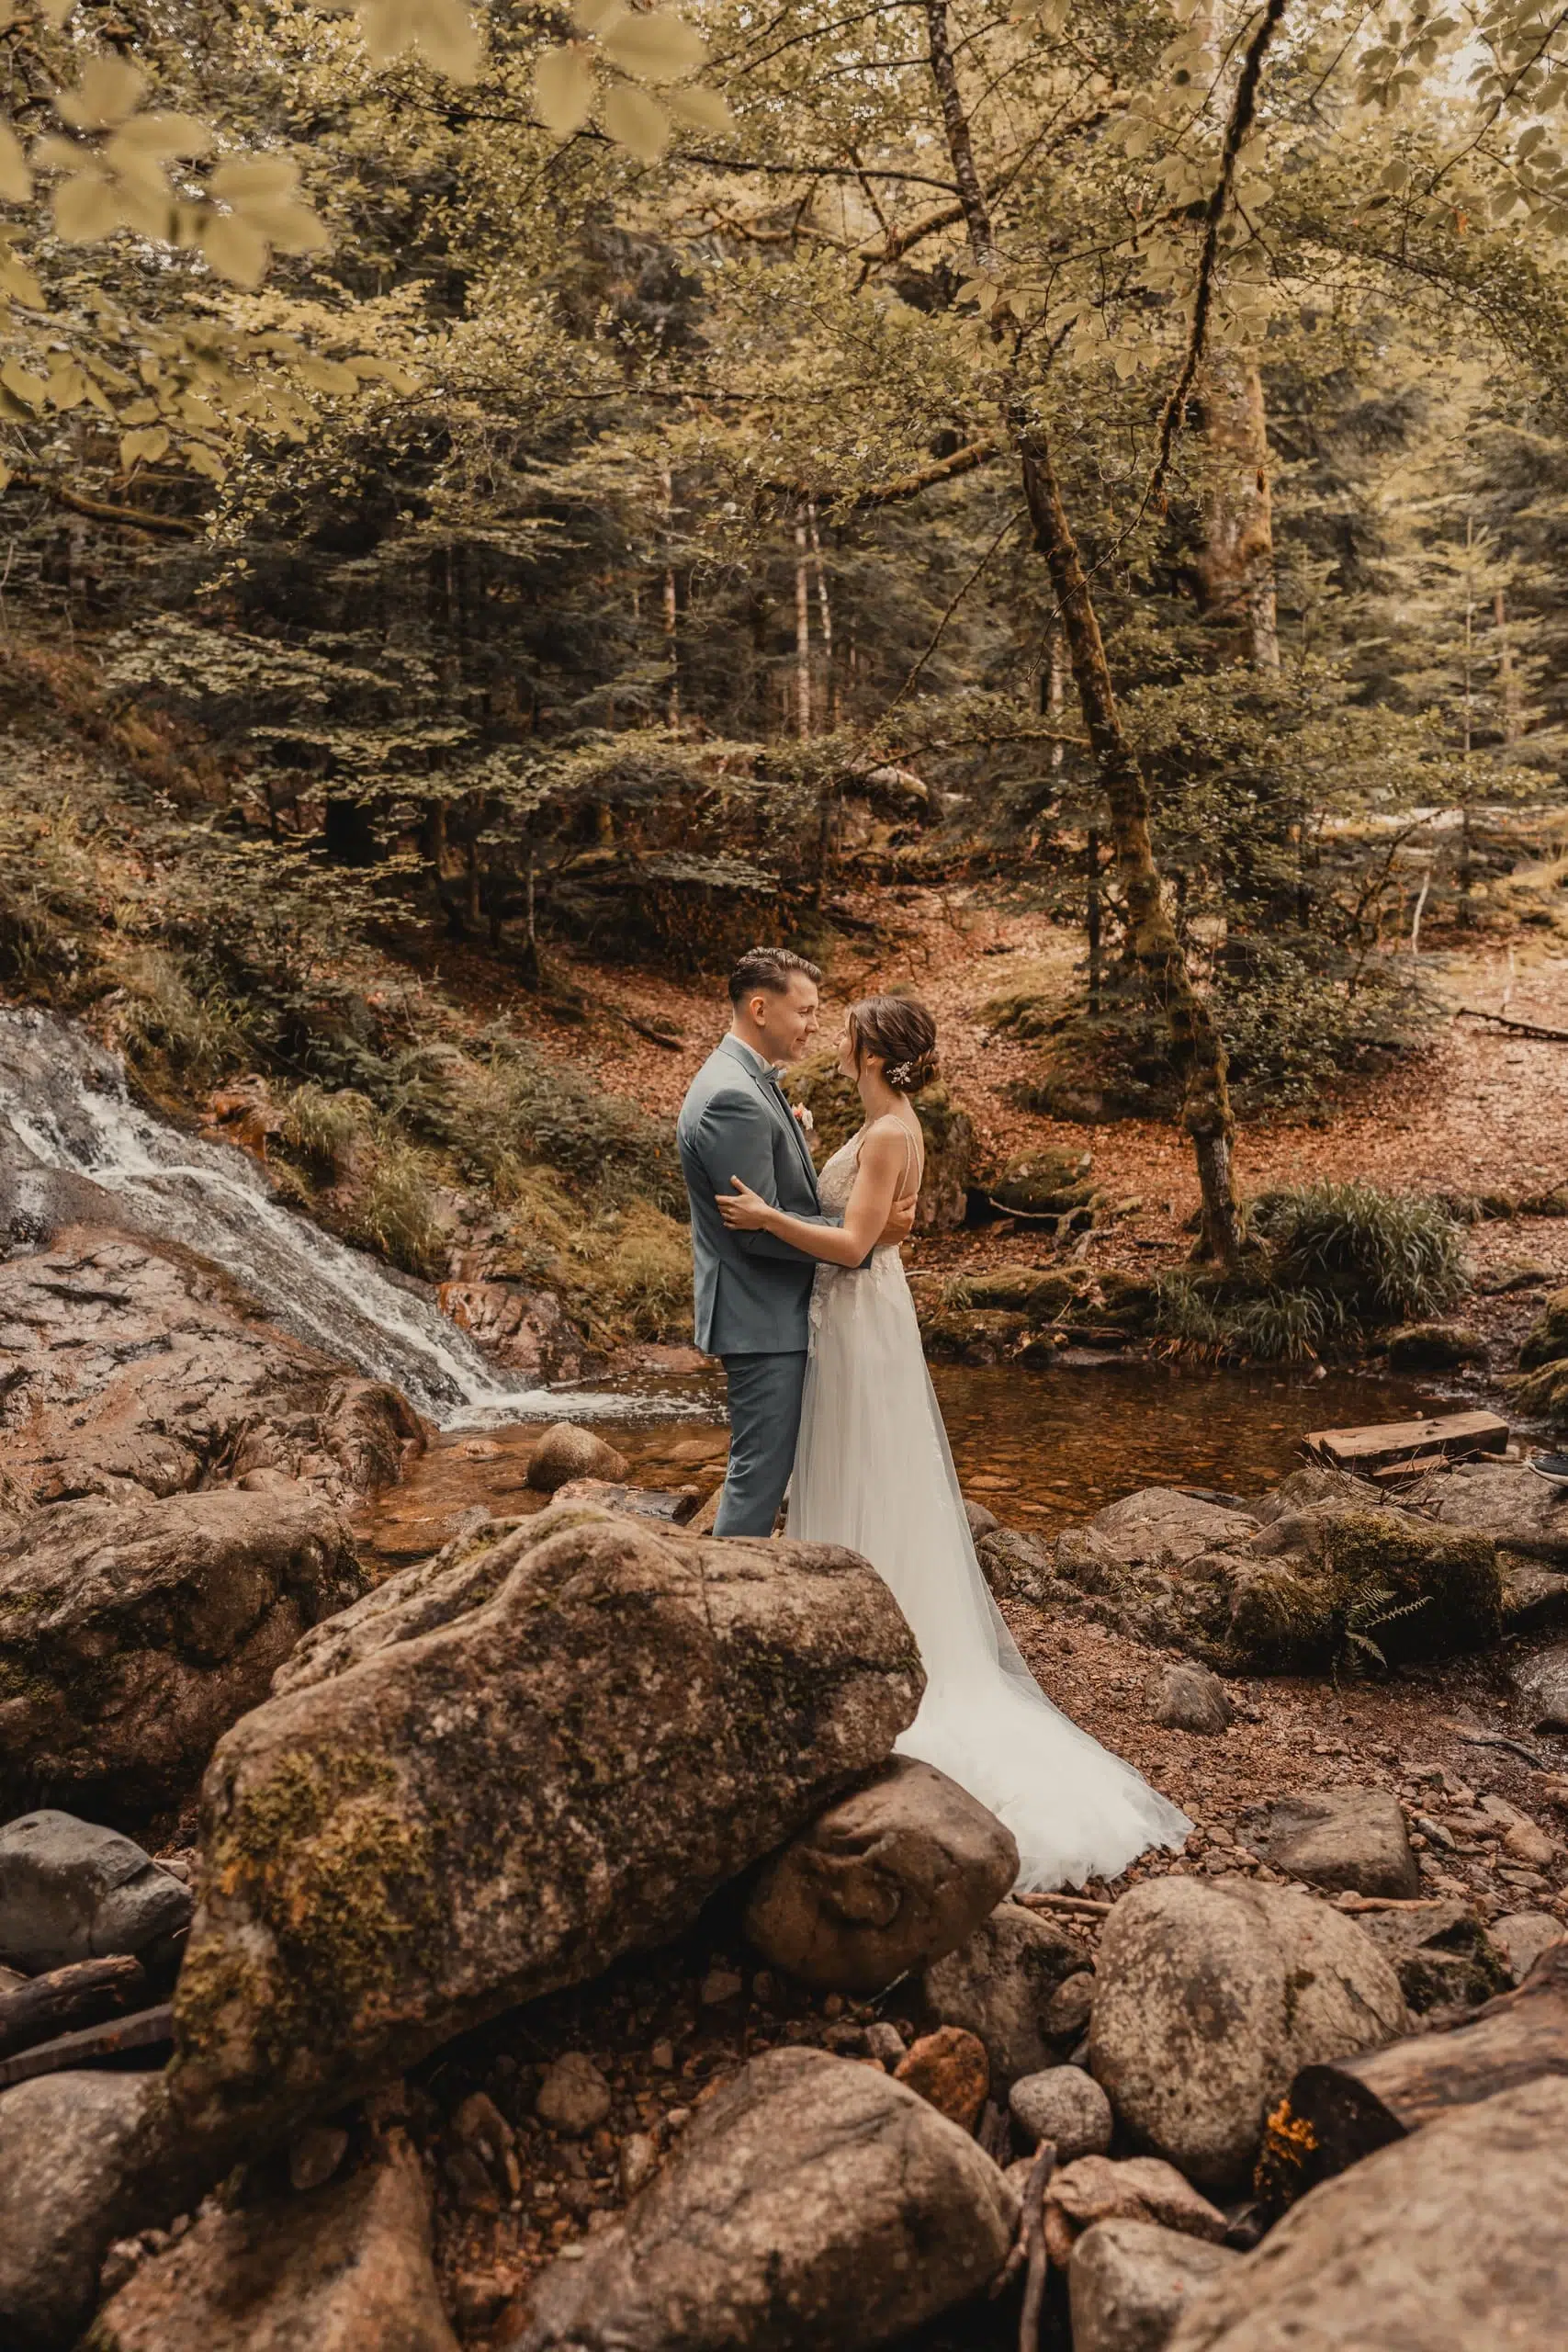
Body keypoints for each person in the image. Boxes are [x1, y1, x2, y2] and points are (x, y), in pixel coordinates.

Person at [716, 989, 1190, 1892]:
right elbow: (878, 1223)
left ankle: (885, 1648)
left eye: (849, 1032)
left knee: (867, 1470)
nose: (839, 1039)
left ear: (872, 1051)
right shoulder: (888, 1124)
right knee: (856, 1473)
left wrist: (764, 1219)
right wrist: (802, 1140)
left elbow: (855, 1244)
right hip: (856, 1318)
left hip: (858, 1319)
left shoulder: (894, 1130)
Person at [676, 947, 918, 1539]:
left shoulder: (748, 1083)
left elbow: (774, 1201)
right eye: (805, 1012)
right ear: (760, 1008)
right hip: (762, 1312)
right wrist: (859, 1242)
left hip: (778, 1309)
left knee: (772, 1467)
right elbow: (755, 1231)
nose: (815, 1025)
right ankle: (730, 1607)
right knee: (760, 1472)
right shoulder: (733, 1097)